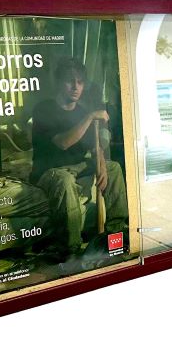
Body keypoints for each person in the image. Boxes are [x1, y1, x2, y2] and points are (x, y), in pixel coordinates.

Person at [30, 58, 128, 259]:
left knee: (114, 168)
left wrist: (102, 165)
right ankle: (70, 250)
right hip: (50, 171)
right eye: (70, 81)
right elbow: (64, 142)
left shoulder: (81, 111)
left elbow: (96, 147)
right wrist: (90, 117)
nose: (76, 87)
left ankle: (116, 234)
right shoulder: (44, 109)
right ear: (59, 82)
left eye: (80, 82)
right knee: (65, 180)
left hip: (77, 167)